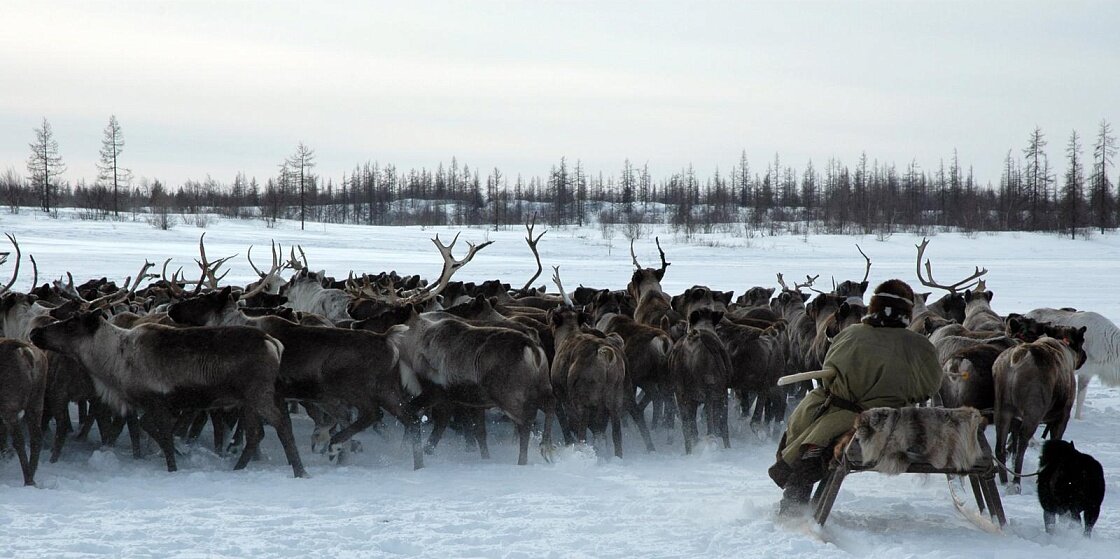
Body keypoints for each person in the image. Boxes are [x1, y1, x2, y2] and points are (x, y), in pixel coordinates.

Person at [768, 279, 943, 516]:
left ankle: (794, 501)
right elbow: (930, 386)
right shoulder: (920, 345)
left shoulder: (851, 335)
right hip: (895, 420)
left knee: (810, 435)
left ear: (874, 307)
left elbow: (830, 376)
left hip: (849, 418)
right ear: (906, 312)